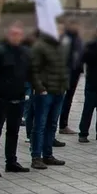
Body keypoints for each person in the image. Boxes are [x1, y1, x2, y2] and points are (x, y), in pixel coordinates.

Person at [0, 22, 31, 177]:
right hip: (1, 99)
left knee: (13, 131)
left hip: (18, 98)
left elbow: (28, 72)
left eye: (19, 34)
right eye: (14, 34)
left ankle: (11, 161)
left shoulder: (24, 52)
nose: (17, 37)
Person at [29, 24, 69, 171]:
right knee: (40, 125)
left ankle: (48, 154)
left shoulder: (60, 46)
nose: (60, 32)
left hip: (59, 90)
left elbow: (63, 67)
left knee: (52, 124)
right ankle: (36, 156)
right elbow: (33, 69)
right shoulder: (39, 46)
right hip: (45, 92)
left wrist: (65, 85)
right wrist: (40, 88)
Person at [57, 18, 85, 135]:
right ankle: (61, 124)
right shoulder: (65, 38)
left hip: (75, 71)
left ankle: (63, 124)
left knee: (68, 98)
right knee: (61, 99)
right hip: (66, 72)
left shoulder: (77, 38)